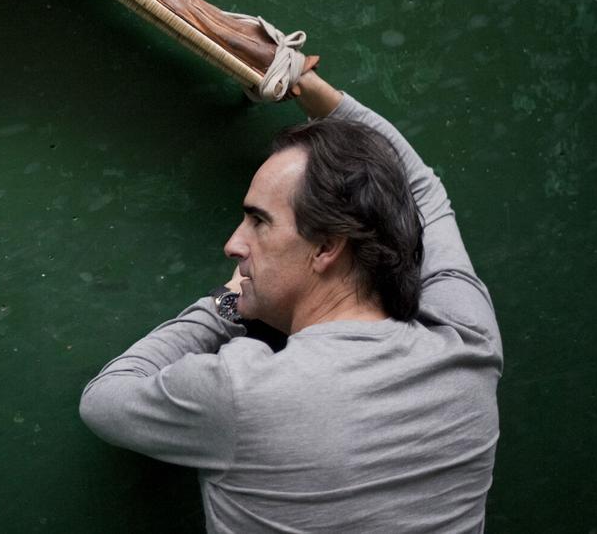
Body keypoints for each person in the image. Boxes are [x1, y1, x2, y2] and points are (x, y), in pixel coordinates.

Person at [79, 72, 502, 533]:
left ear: (326, 247)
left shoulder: (239, 390)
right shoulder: (468, 342)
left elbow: (105, 399)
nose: (233, 244)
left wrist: (224, 305)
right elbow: (422, 191)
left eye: (258, 221)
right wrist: (315, 92)